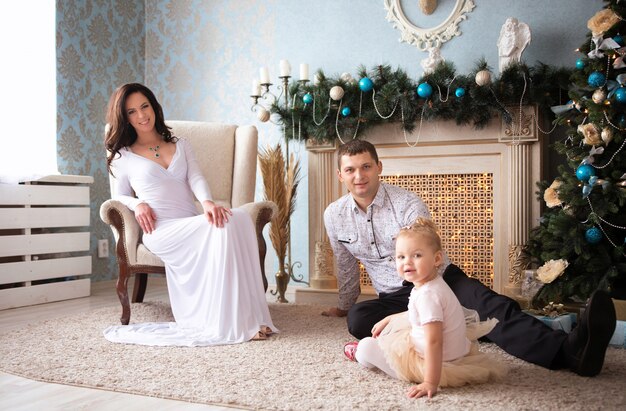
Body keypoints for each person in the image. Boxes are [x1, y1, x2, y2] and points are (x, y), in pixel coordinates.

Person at [323, 139, 616, 377]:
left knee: (491, 306)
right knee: (359, 319)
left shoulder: (407, 204)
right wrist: (344, 305)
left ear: (379, 168)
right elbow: (345, 264)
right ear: (340, 175)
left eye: (365, 167)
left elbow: (429, 257)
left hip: (437, 279)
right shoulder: (334, 215)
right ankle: (459, 324)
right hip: (394, 294)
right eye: (350, 170)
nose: (358, 176)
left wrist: (425, 306)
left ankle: (570, 351)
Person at [102, 83, 276, 346]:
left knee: (238, 218)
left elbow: (196, 177)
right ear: (124, 117)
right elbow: (118, 195)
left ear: (154, 106)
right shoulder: (123, 156)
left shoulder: (180, 144)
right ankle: (232, 325)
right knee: (225, 226)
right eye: (132, 112)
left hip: (190, 222)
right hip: (160, 230)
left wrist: (206, 202)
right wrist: (137, 204)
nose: (141, 115)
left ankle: (248, 316)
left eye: (145, 106)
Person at [343, 218, 506, 398]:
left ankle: (360, 356)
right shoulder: (432, 285)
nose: (407, 262)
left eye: (417, 255)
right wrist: (392, 318)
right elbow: (422, 315)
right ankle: (373, 349)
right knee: (391, 332)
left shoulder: (428, 295)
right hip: (451, 354)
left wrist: (430, 381)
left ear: (437, 259)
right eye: (401, 257)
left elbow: (434, 342)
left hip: (433, 364)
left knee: (367, 346)